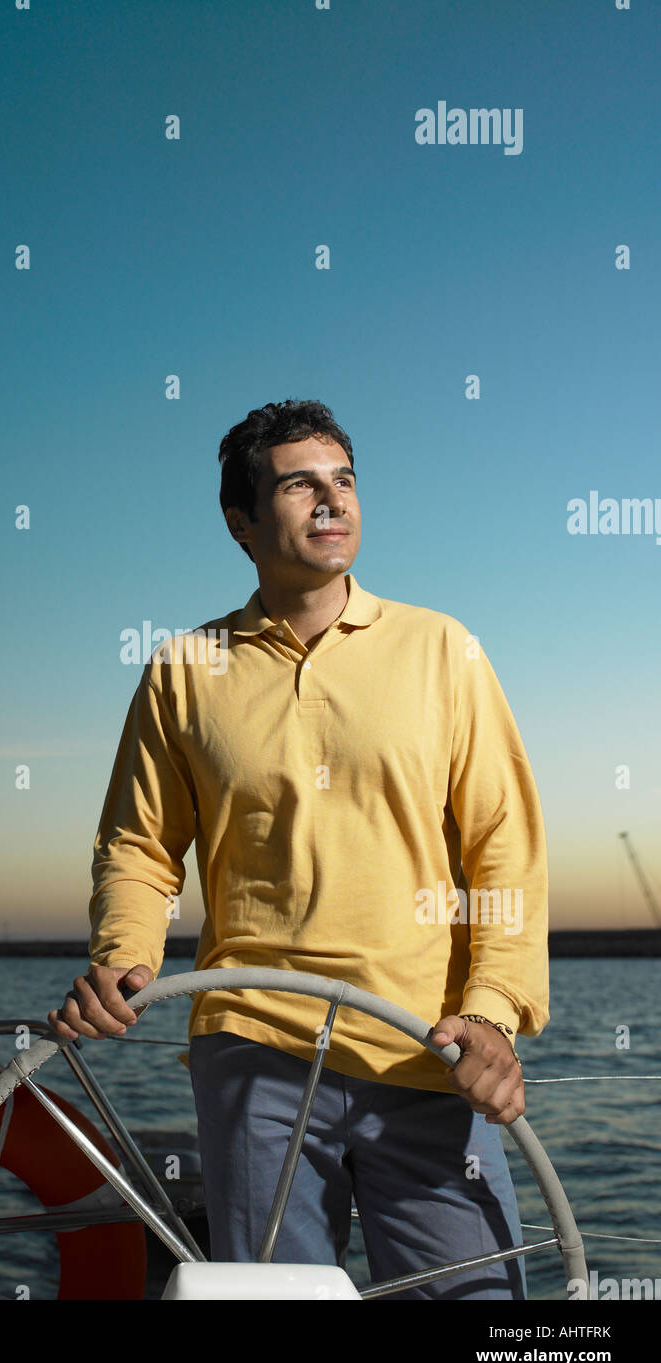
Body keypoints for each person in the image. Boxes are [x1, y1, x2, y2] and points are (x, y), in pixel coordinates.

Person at [48, 399, 548, 1299]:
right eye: (298, 485)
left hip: (426, 1046)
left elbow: (502, 846)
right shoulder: (182, 669)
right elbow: (138, 846)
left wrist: (492, 1013)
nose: (330, 501)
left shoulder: (443, 650)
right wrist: (124, 957)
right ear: (240, 523)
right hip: (253, 1048)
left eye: (343, 481)